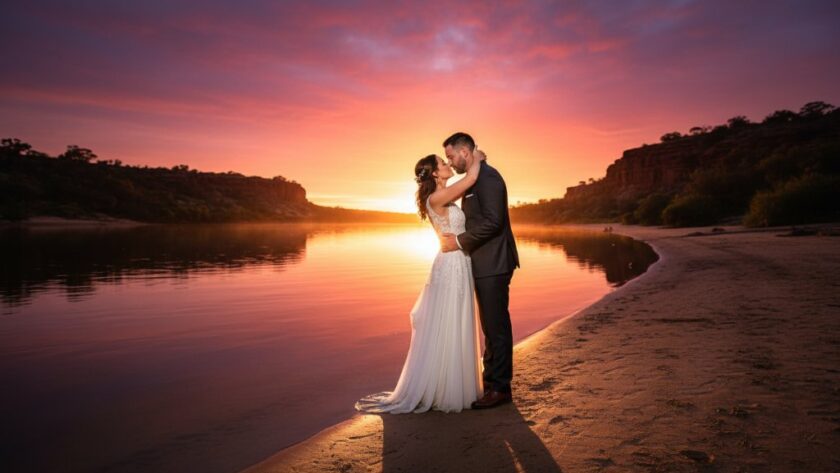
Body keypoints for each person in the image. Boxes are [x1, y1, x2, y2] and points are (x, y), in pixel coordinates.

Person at [355, 147, 486, 413]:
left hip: (458, 262)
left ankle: (451, 383)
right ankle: (445, 389)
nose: (448, 163)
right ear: (436, 173)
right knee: (449, 320)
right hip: (450, 265)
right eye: (442, 162)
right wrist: (477, 157)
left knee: (455, 319)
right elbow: (471, 179)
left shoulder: (443, 197)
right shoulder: (437, 198)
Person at [439, 132, 520, 409]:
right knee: (490, 324)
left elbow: (494, 222)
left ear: (465, 152)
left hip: (494, 263)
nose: (451, 161)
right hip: (484, 262)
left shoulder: (489, 178)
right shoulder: (477, 175)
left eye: (451, 156)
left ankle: (500, 388)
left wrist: (459, 241)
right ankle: (492, 383)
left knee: (496, 326)